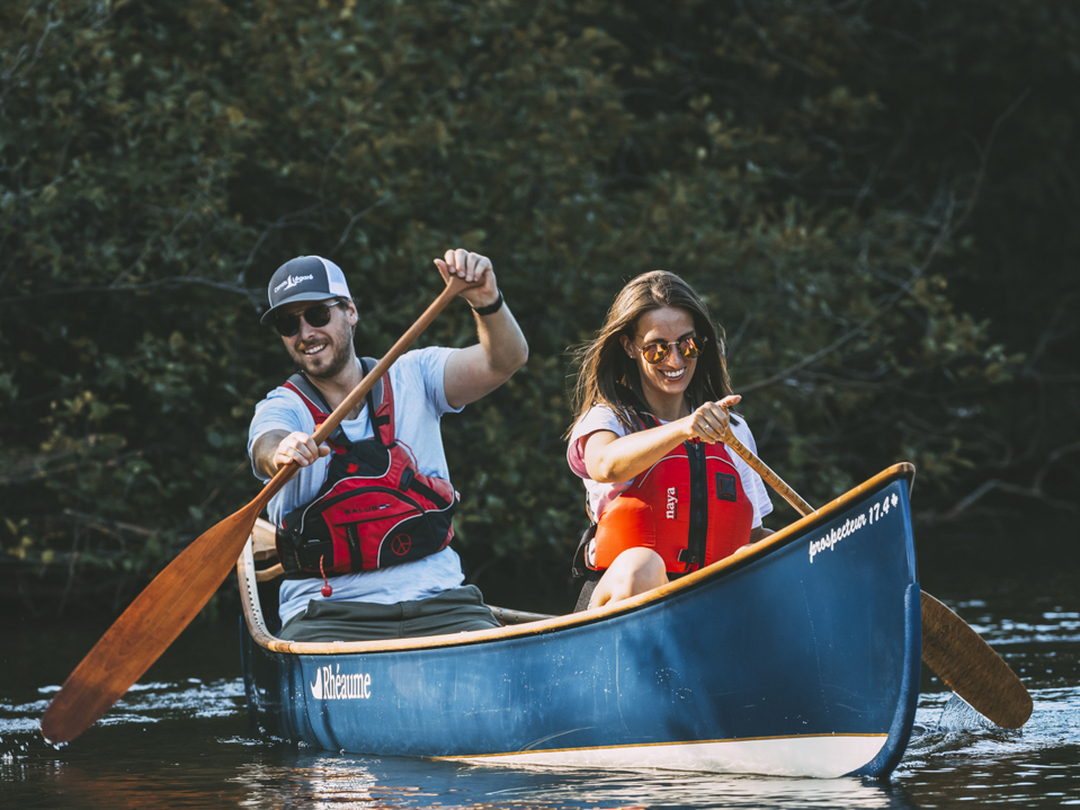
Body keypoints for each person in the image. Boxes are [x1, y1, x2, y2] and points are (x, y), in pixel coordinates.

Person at [248, 250, 528, 642]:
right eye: (287, 323)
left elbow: (505, 361)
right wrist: (282, 450)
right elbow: (265, 445)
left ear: (350, 311)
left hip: (440, 600)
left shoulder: (416, 374)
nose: (306, 333)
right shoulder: (282, 407)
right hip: (328, 615)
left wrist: (487, 301)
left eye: (317, 315)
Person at [566, 270, 773, 610]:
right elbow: (604, 465)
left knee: (756, 557)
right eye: (657, 350)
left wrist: (822, 546)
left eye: (688, 345)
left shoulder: (731, 429)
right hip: (623, 596)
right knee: (642, 565)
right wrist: (684, 428)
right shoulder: (608, 419)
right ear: (630, 347)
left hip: (703, 609)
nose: (675, 361)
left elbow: (752, 534)